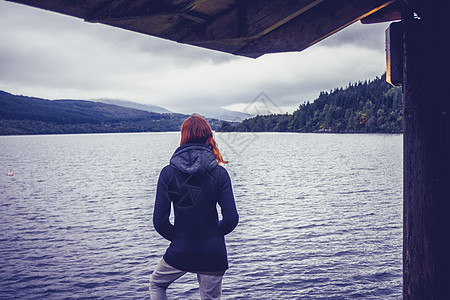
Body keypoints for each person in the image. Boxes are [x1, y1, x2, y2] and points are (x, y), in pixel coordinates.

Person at [150, 114, 239, 300]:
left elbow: (160, 221)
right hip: (213, 253)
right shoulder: (220, 174)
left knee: (157, 284)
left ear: (184, 137)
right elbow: (231, 219)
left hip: (182, 249)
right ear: (208, 136)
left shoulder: (168, 173)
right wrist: (212, 234)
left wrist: (182, 237)